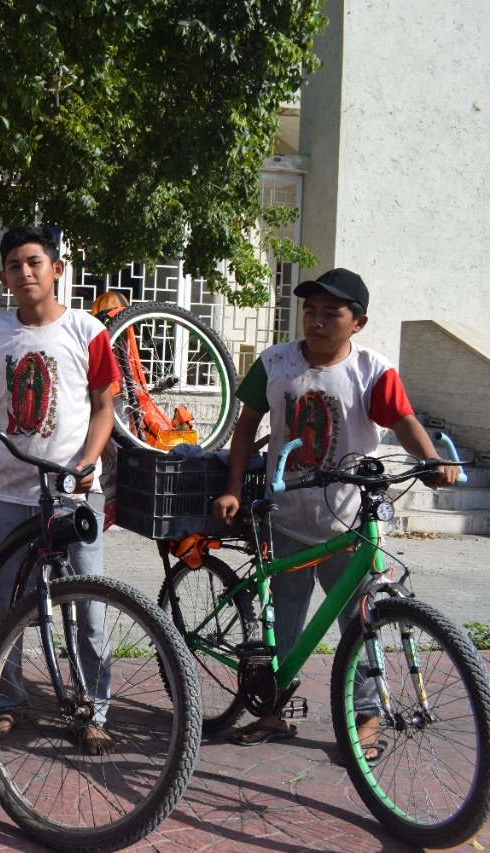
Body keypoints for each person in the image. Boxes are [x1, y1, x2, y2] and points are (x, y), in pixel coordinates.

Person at [213, 268, 460, 754]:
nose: (318, 321)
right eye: (311, 311)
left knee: (361, 624)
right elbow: (245, 427)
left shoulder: (372, 369)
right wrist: (234, 489)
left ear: (358, 322)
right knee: (283, 621)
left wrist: (432, 459)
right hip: (285, 516)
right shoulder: (275, 362)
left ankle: (365, 719)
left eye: (332, 313)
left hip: (349, 525)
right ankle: (272, 713)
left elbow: (404, 420)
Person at [0, 224, 120, 755]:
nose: (24, 273)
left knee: (89, 608)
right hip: (9, 491)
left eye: (34, 262)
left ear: (57, 269)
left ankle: (93, 710)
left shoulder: (87, 331)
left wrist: (89, 461)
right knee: (7, 605)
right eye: (13, 265)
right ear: (3, 276)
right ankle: (8, 704)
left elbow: (104, 406)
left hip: (74, 493)